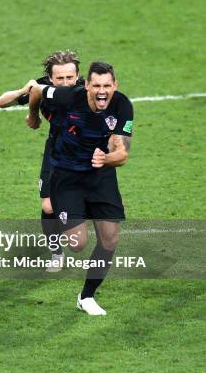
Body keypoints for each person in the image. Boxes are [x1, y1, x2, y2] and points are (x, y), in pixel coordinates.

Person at [27, 61, 133, 315]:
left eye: (107, 85)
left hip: (100, 176)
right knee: (77, 243)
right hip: (67, 176)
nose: (102, 91)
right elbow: (37, 90)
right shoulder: (67, 96)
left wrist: (106, 158)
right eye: (96, 85)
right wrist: (33, 115)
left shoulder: (122, 105)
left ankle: (86, 297)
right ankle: (71, 213)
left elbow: (122, 153)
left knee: (110, 238)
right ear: (86, 85)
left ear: (114, 85)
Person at [0, 50, 82, 272]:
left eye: (70, 78)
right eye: (60, 78)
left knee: (79, 234)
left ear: (78, 76)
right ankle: (56, 252)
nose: (65, 83)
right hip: (56, 151)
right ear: (51, 79)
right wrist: (27, 92)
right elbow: (1, 102)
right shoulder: (43, 88)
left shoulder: (86, 91)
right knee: (48, 206)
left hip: (84, 154)